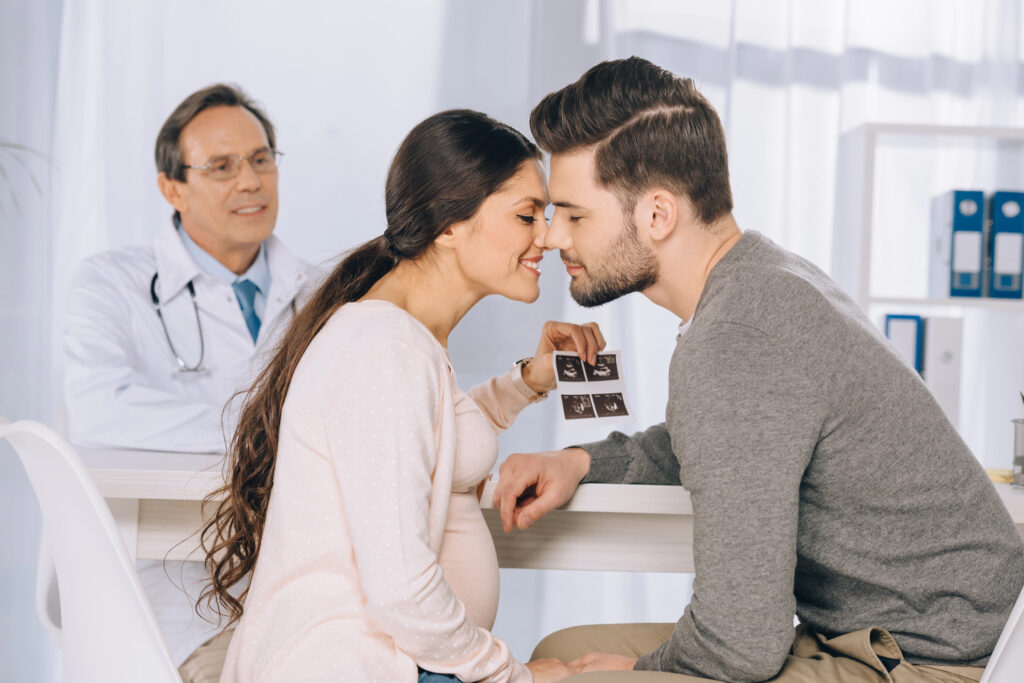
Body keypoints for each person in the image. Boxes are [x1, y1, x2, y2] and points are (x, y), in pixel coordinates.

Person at [492, 57, 1024, 682]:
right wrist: (581, 461)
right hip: (881, 636)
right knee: (566, 644)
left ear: (657, 215)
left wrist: (638, 667)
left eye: (575, 216)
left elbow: (737, 643)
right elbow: (717, 439)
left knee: (567, 677)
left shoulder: (738, 335)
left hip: (933, 664)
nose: (553, 238)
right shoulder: (759, 279)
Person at [201, 109, 596, 682]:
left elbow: (431, 439)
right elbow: (403, 594)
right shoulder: (389, 352)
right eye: (526, 215)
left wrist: (526, 382)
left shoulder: (402, 339)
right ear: (449, 225)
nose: (551, 237)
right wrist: (516, 675)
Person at [61, 84, 311, 681]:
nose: (250, 181)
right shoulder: (110, 285)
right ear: (172, 188)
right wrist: (270, 431)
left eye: (261, 159)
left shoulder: (321, 292)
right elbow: (98, 409)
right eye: (221, 167)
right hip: (175, 587)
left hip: (301, 582)